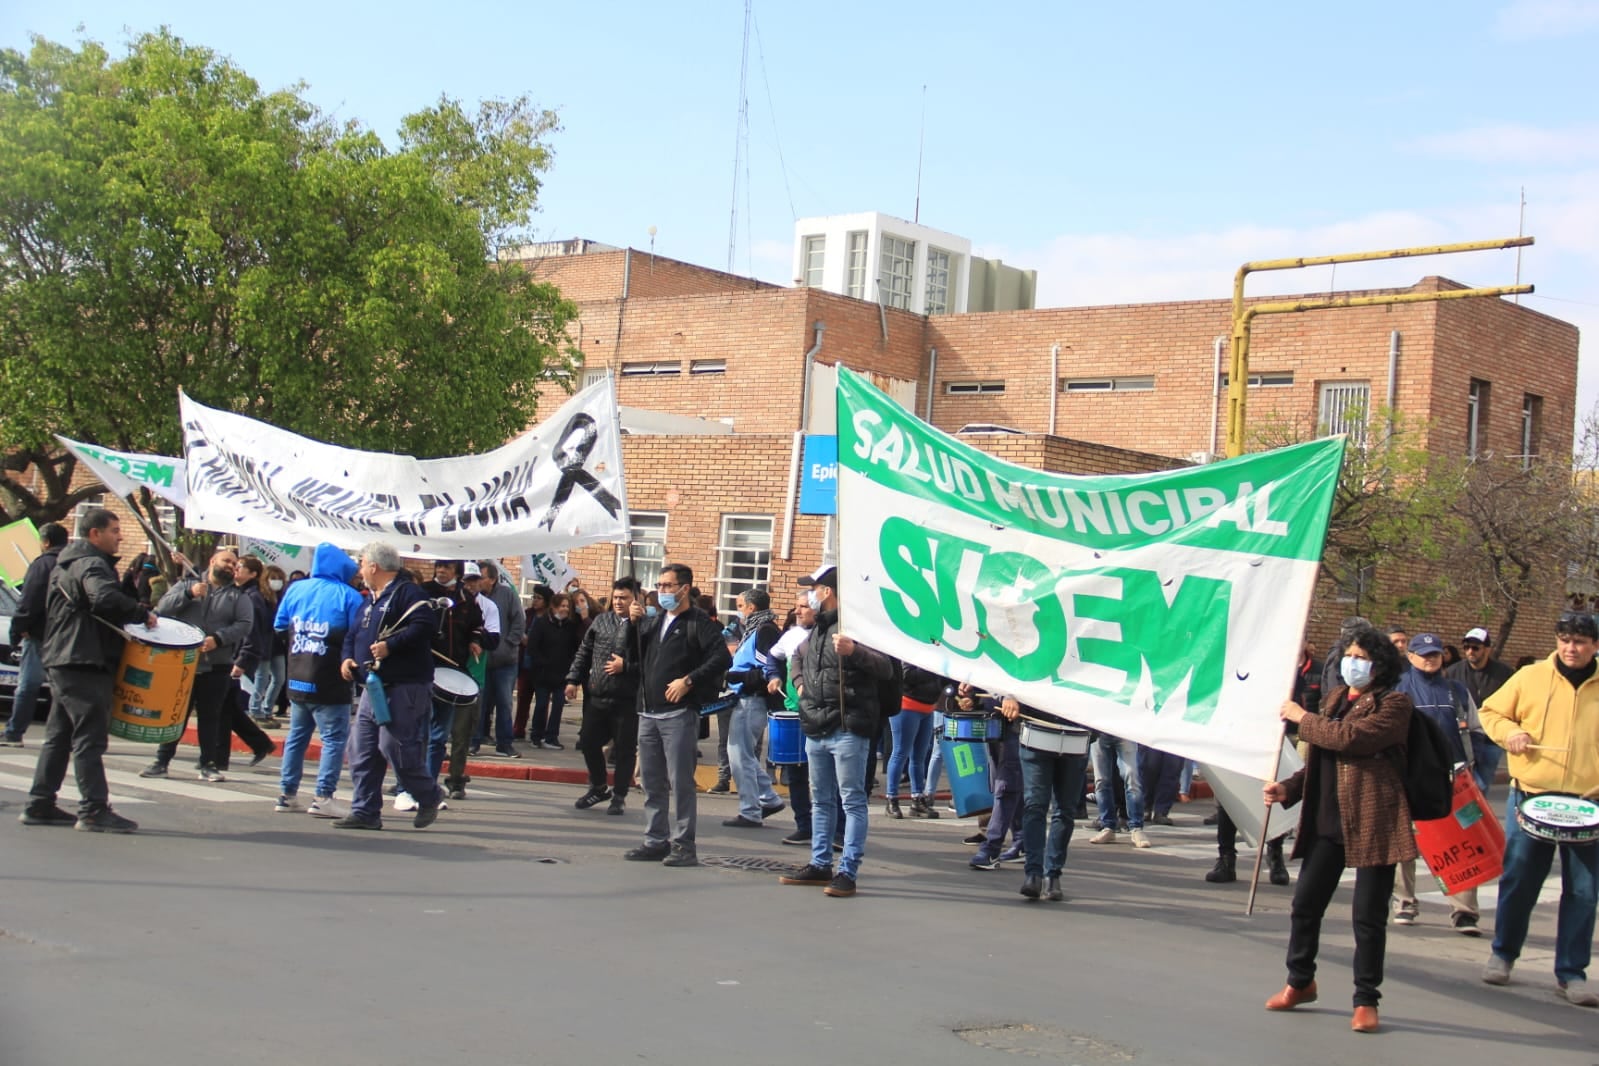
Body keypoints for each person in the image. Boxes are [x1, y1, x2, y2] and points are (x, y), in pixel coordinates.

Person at [1263, 624, 1416, 1034]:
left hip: (1373, 820)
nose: (1354, 664)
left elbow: (1350, 739)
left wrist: (1301, 717)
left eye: (1363, 658)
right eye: (1349, 655)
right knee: (1306, 905)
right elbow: (1319, 759)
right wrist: (1288, 789)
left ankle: (1366, 999)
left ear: (1380, 665)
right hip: (1327, 820)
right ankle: (1300, 980)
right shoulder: (1333, 699)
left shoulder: (1394, 704)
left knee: (1367, 917)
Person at [1478, 611, 1599, 1008]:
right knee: (1520, 881)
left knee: (1582, 892)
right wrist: (1511, 733)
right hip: (1530, 796)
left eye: (1580, 641)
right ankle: (1503, 954)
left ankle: (1571, 973)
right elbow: (1491, 712)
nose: (1571, 647)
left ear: (1595, 646)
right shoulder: (1530, 677)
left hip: (1588, 804)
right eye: (1565, 639)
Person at [18, 508, 155, 832]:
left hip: (66, 657)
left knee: (59, 735)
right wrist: (140, 612)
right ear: (95, 534)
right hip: (84, 659)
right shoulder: (91, 564)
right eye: (114, 530)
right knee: (89, 738)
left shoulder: (67, 563)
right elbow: (103, 597)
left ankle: (40, 803)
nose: (120, 536)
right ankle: (93, 809)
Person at [778, 565, 892, 898]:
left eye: (813, 589)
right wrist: (800, 688)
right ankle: (819, 863)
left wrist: (855, 651)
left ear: (827, 592)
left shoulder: (856, 627)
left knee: (852, 801)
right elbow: (796, 657)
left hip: (848, 728)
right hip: (817, 726)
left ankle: (848, 870)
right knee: (822, 801)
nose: (808, 596)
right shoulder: (816, 630)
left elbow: (886, 667)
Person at [625, 563, 731, 867]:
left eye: (669, 585)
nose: (662, 591)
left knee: (680, 782)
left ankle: (684, 844)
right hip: (648, 711)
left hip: (678, 714)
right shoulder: (654, 621)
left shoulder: (698, 622)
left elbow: (721, 657)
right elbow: (632, 658)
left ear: (684, 588)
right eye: (659, 585)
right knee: (651, 780)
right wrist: (631, 625)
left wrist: (688, 680)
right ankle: (655, 839)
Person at [336, 541, 441, 830]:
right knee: (362, 750)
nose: (360, 570)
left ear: (374, 566)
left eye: (361, 564)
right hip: (373, 687)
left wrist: (390, 646)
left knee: (395, 747)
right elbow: (353, 634)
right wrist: (347, 658)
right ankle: (365, 810)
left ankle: (428, 795)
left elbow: (424, 625)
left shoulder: (407, 593)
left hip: (403, 686)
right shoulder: (370, 599)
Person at [142, 546, 266, 781]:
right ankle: (161, 760)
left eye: (234, 564)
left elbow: (244, 624)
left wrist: (218, 639)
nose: (230, 566)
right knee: (176, 714)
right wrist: (189, 595)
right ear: (212, 561)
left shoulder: (237, 596)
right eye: (226, 561)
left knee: (211, 717)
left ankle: (208, 763)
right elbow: (162, 609)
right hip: (183, 664)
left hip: (216, 665)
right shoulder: (187, 585)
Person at [1392, 632, 1486, 933]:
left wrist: (1474, 767)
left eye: (1435, 654)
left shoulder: (1456, 690)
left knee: (1463, 842)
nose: (1430, 659)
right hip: (1412, 777)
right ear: (1411, 657)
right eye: (1424, 654)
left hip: (1456, 777)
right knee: (1406, 841)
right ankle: (1405, 903)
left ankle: (1464, 911)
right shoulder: (1399, 689)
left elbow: (1477, 729)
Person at [272, 543, 363, 818]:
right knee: (334, 738)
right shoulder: (350, 596)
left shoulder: (295, 589)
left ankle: (287, 794)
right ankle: (323, 796)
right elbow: (358, 635)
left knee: (296, 737)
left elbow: (279, 626)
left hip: (298, 674)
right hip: (331, 677)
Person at [999, 697, 1090, 902]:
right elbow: (1011, 668)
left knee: (1065, 810)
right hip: (1037, 731)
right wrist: (1008, 695)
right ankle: (1034, 874)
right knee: (1035, 806)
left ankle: (1053, 875)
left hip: (1075, 734)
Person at [567, 576, 643, 814]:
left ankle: (619, 795)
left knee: (624, 749)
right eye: (616, 597)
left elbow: (653, 663)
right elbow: (584, 652)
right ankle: (599, 786)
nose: (619, 602)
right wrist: (572, 679)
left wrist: (627, 666)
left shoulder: (646, 626)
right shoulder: (601, 621)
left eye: (624, 598)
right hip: (598, 695)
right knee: (589, 742)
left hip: (627, 699)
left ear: (636, 599)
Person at [720, 588, 786, 828]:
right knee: (742, 755)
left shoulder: (764, 630)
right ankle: (768, 798)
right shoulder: (756, 629)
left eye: (740, 606)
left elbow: (768, 670)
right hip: (746, 698)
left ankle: (751, 810)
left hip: (752, 699)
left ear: (752, 608)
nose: (739, 611)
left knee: (740, 756)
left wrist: (737, 676)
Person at [3, 521, 67, 746]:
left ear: (46, 542)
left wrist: (17, 632)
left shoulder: (43, 565)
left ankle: (14, 732)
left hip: (40, 635)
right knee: (64, 689)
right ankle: (66, 736)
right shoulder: (75, 564)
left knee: (28, 685)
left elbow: (28, 602)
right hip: (68, 637)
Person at [474, 560, 526, 761]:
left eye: (482, 577)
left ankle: (505, 744)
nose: (478, 582)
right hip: (480, 662)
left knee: (504, 703)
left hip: (505, 662)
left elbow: (518, 622)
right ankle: (474, 741)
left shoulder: (507, 595)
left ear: (493, 579)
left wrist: (507, 644)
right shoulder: (475, 598)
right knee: (479, 704)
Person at [885, 663, 943, 819]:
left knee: (919, 757)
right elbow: (905, 675)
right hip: (907, 704)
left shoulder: (934, 650)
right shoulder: (914, 648)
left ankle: (917, 798)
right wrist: (932, 669)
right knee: (900, 753)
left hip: (927, 707)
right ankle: (892, 798)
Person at [235, 556, 283, 728]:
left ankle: (264, 709)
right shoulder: (252, 594)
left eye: (239, 567)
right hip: (261, 645)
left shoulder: (260, 596)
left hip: (269, 645)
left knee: (277, 678)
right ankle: (256, 710)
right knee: (260, 678)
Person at [528, 591, 580, 749]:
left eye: (567, 606)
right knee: (542, 704)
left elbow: (575, 648)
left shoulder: (570, 626)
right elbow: (533, 646)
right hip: (543, 673)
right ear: (554, 607)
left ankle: (551, 737)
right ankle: (536, 735)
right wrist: (541, 663)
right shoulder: (542, 623)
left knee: (558, 705)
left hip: (562, 674)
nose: (565, 609)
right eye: (562, 606)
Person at [1089, 731, 1149, 848]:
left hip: (1123, 728)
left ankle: (1136, 827)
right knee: (1101, 781)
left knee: (1132, 777)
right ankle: (1108, 826)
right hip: (1100, 728)